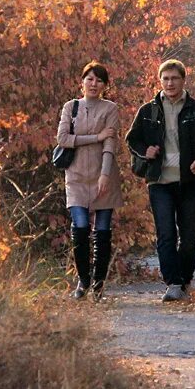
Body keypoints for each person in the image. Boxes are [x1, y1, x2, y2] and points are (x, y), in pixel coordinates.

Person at [126, 59, 195, 302]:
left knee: (189, 236)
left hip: (188, 181)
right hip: (159, 181)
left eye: (174, 78)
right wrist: (146, 152)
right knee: (165, 233)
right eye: (165, 78)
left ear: (183, 80)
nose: (170, 83)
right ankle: (172, 283)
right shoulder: (148, 111)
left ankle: (185, 279)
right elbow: (132, 140)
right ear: (160, 81)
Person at [56, 61, 122, 301]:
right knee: (80, 227)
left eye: (99, 80)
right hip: (75, 176)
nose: (94, 84)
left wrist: (104, 174)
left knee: (102, 231)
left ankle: (99, 284)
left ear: (105, 85)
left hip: (103, 173)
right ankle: (83, 280)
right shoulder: (70, 107)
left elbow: (110, 144)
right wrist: (96, 136)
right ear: (82, 81)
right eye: (90, 79)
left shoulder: (110, 108)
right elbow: (63, 139)